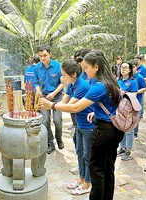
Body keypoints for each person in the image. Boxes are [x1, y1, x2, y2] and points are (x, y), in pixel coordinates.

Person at [40, 50, 124, 200]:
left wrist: (51, 106)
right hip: (112, 127)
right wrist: (97, 113)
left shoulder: (99, 86)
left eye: (86, 67)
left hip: (105, 131)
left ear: (96, 67)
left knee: (96, 169)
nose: (84, 70)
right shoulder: (109, 80)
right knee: (107, 169)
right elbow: (109, 104)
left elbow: (75, 107)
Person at [53, 59, 94, 195]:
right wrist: (64, 85)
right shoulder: (71, 84)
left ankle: (88, 183)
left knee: (87, 155)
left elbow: (70, 107)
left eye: (64, 75)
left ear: (74, 74)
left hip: (89, 126)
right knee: (79, 152)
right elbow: (64, 101)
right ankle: (81, 179)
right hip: (79, 124)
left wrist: (51, 105)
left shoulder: (82, 86)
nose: (62, 77)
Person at [32, 44, 64, 154]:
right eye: (40, 56)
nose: (43, 58)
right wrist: (37, 90)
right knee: (45, 121)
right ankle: (50, 143)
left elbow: (63, 82)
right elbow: (35, 82)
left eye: (45, 55)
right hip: (44, 96)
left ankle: (59, 139)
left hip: (57, 96)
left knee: (57, 121)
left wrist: (54, 93)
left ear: (50, 54)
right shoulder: (37, 68)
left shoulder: (58, 66)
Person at [116, 61, 138, 161]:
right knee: (121, 127)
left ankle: (128, 150)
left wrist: (123, 93)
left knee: (129, 130)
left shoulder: (133, 82)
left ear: (130, 70)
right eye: (122, 68)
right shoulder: (118, 81)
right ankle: (122, 147)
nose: (123, 69)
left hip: (129, 108)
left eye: (125, 68)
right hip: (119, 108)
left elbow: (134, 95)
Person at [128, 59, 146, 140]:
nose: (132, 69)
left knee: (136, 117)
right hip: (127, 101)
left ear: (136, 67)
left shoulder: (139, 77)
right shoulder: (127, 77)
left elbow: (145, 88)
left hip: (137, 100)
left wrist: (135, 92)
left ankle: (135, 133)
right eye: (131, 67)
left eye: (134, 67)